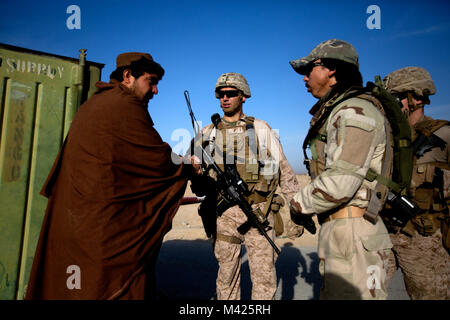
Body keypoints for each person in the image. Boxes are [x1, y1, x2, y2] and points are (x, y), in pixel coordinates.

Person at [25, 52, 198, 300]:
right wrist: (188, 163)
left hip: (78, 224)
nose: (156, 91)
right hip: (104, 233)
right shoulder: (123, 106)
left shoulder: (96, 103)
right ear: (128, 76)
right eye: (151, 81)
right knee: (115, 287)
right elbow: (157, 160)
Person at [288, 39, 394, 299]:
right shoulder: (341, 109)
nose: (304, 78)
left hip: (354, 234)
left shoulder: (354, 111)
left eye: (309, 69)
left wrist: (297, 204)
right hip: (343, 232)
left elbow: (341, 182)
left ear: (331, 69)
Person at [193, 72, 300, 300]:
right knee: (226, 279)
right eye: (221, 94)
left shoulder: (260, 129)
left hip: (258, 213)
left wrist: (298, 212)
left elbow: (284, 172)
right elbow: (190, 169)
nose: (225, 98)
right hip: (224, 218)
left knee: (264, 280)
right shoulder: (207, 134)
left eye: (230, 94)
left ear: (243, 96)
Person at [383, 66, 450, 299]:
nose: (392, 104)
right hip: (382, 233)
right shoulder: (382, 138)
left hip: (426, 240)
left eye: (397, 97)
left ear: (418, 98)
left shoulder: (444, 137)